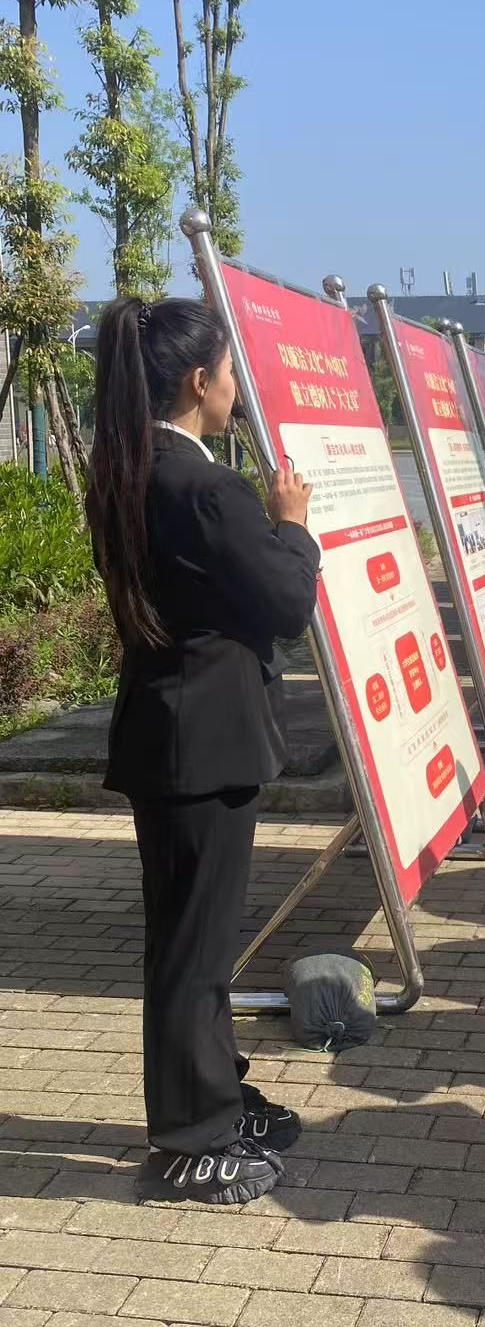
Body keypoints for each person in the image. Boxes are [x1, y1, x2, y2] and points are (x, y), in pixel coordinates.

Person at [86, 296, 321, 1205]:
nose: (235, 388)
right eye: (227, 372)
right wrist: (292, 523)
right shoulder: (206, 488)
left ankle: (217, 1095)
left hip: (174, 735)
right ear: (197, 380)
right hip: (206, 743)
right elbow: (286, 603)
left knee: (197, 940)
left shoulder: (131, 470)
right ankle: (188, 1138)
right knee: (194, 950)